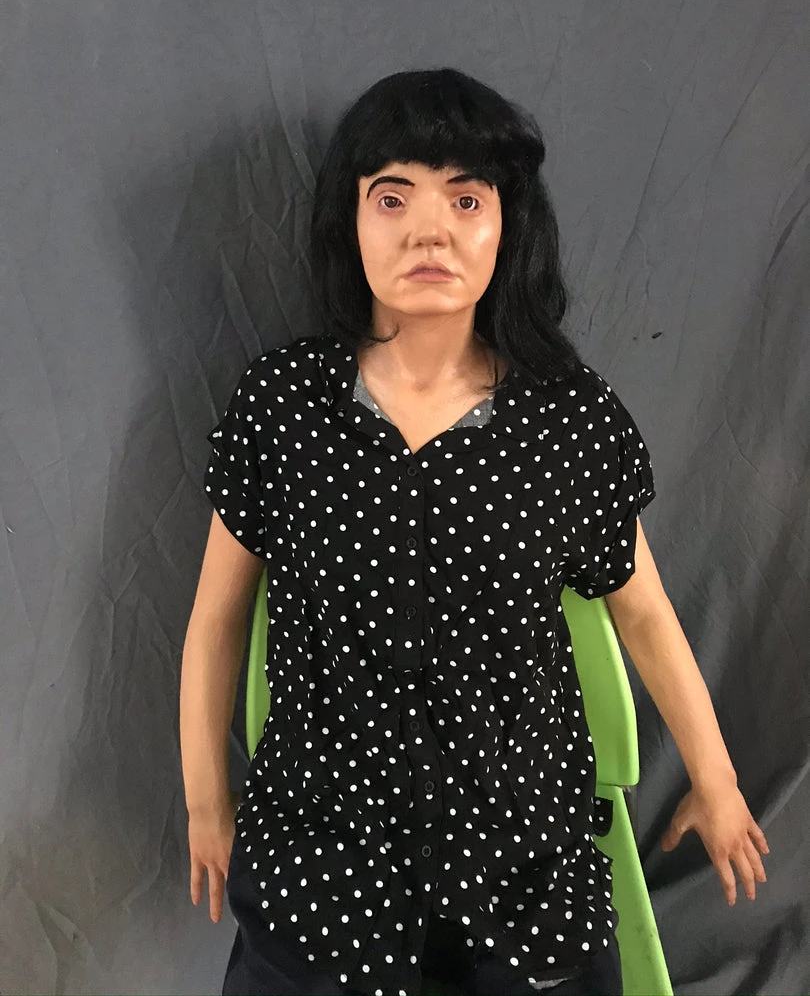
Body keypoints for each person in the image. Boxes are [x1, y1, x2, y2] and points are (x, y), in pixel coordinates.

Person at [179, 68, 769, 996]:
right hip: (322, 858)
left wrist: (718, 782)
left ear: (508, 224)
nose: (430, 230)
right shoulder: (283, 407)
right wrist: (208, 805)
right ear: (349, 219)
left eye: (466, 198)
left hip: (521, 863)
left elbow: (644, 614)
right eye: (392, 197)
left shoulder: (569, 420)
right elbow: (217, 618)